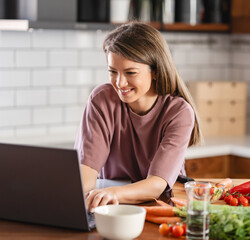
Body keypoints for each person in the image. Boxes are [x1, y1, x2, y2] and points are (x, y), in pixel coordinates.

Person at [74, 22, 202, 212]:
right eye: (112, 71)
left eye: (130, 72)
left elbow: (156, 184)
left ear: (156, 72)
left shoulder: (179, 112)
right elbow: (87, 171)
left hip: (158, 205)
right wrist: (68, 195)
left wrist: (114, 193)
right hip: (110, 206)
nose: (120, 82)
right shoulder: (102, 100)